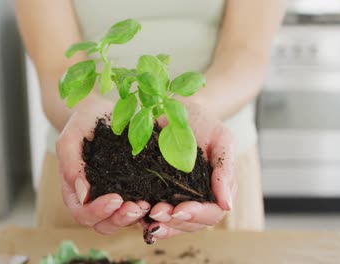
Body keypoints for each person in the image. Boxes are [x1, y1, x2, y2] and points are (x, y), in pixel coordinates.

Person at [15, 0, 286, 240]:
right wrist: (87, 111)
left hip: (211, 156)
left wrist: (197, 107)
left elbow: (246, 52)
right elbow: (56, 69)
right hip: (81, 163)